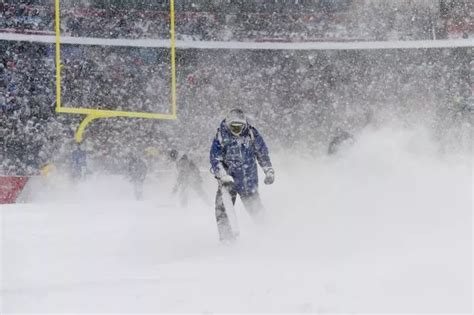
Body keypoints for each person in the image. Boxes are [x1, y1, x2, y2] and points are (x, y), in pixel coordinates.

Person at [210, 108, 275, 242]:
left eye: (239, 127)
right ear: (228, 125)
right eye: (233, 127)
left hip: (248, 180)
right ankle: (227, 240)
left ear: (244, 125)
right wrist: (222, 175)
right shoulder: (221, 136)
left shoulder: (251, 134)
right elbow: (215, 159)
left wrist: (268, 170)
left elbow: (262, 154)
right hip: (228, 182)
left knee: (257, 211)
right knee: (222, 210)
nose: (236, 130)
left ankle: (269, 235)